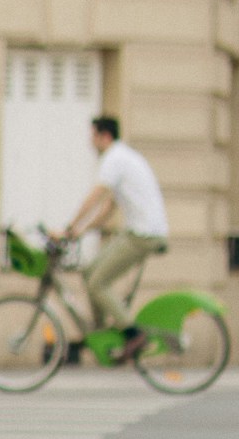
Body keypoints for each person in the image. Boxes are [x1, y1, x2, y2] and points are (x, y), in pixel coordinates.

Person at [57, 115, 168, 352]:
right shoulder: (124, 158)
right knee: (89, 272)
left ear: (104, 136)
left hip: (143, 234)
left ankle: (133, 334)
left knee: (98, 283)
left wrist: (68, 228)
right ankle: (101, 334)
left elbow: (96, 196)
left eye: (93, 137)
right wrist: (79, 232)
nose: (90, 143)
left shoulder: (114, 158)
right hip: (140, 231)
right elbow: (108, 209)